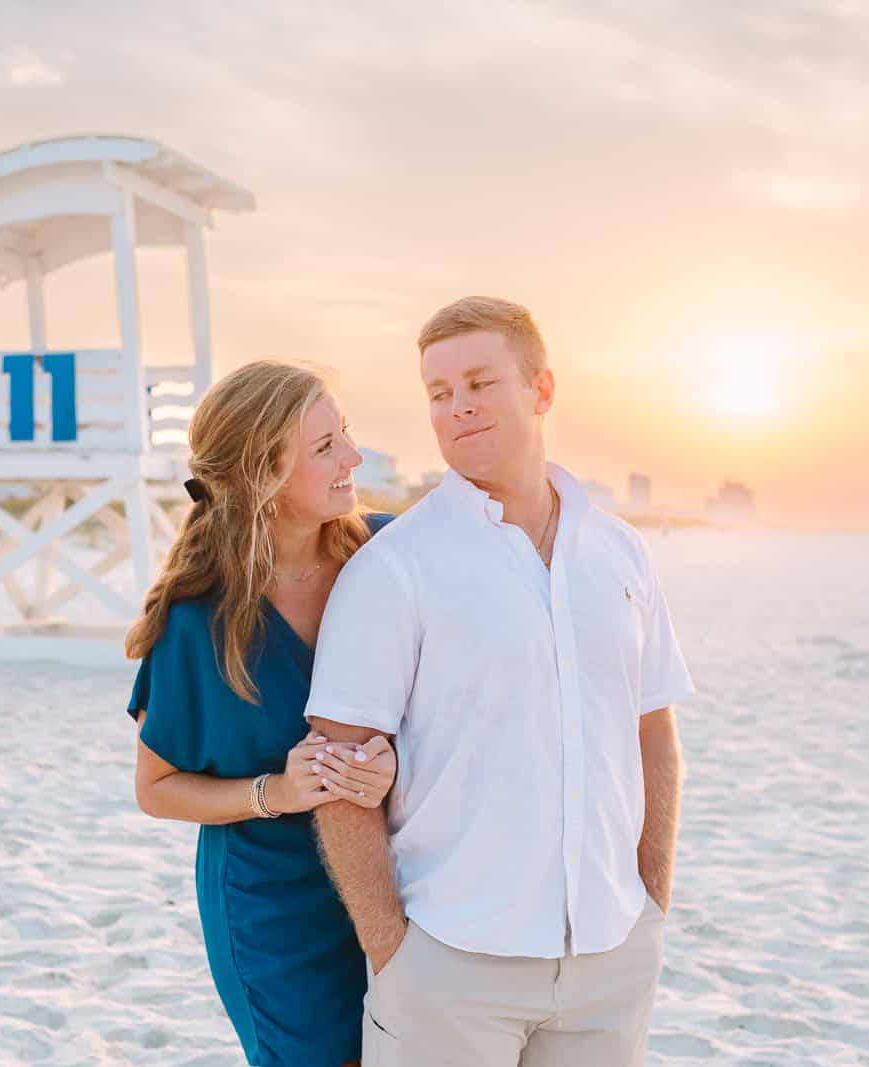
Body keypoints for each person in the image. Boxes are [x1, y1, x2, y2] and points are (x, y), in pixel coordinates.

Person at [304, 296, 696, 1067]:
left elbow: (655, 734)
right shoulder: (395, 568)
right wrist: (394, 953)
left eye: (480, 382)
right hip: (448, 969)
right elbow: (336, 766)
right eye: (440, 393)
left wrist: (652, 901)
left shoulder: (621, 552)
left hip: (611, 962)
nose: (459, 408)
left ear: (541, 389)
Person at [125, 359, 400, 1067]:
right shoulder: (198, 621)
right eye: (324, 447)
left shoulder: (389, 554)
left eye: (344, 434)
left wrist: (395, 763)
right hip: (272, 910)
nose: (353, 457)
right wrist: (273, 791)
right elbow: (156, 788)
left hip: (400, 879)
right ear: (262, 477)